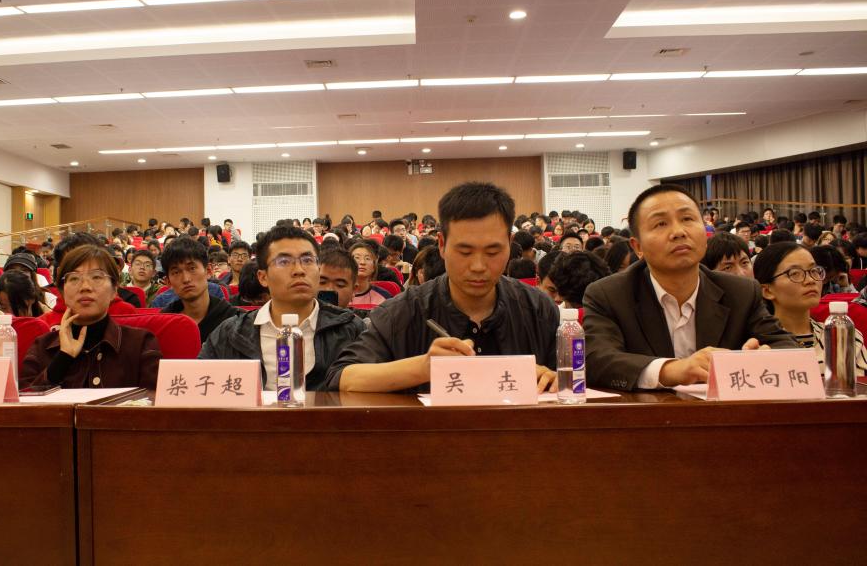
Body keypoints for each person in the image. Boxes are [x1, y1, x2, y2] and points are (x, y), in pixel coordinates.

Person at [325, 182, 559, 393]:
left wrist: (556, 380)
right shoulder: (403, 312)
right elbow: (342, 377)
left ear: (509, 245)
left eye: (493, 251)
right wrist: (424, 367)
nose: (478, 266)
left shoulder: (538, 309)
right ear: (442, 245)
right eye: (465, 252)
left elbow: (569, 381)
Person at [582, 184, 798, 391]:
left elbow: (786, 346)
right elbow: (596, 359)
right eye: (660, 224)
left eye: (687, 219)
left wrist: (764, 356)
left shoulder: (741, 292)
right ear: (638, 247)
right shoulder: (609, 295)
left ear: (705, 233)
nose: (678, 232)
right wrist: (672, 370)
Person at [200, 226, 364, 391]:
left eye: (307, 260)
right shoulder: (230, 334)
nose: (299, 270)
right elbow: (199, 388)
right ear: (263, 277)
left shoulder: (350, 329)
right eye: (284, 262)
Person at [20, 245, 161, 389]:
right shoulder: (41, 347)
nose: (85, 287)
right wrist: (63, 358)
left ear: (114, 290)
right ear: (62, 292)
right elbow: (25, 400)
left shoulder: (141, 344)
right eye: (74, 278)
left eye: (96, 277)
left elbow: (156, 399)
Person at [754, 242, 866, 378]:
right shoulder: (755, 346)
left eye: (814, 271)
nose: (811, 280)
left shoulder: (845, 335)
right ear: (767, 291)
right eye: (795, 273)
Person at [159, 237, 239, 342]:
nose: (186, 279)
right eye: (176, 272)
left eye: (192, 268)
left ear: (208, 271)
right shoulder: (163, 324)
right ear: (168, 282)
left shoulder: (236, 320)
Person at [348, 240, 391, 306]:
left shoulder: (384, 297)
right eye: (357, 258)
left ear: (374, 267)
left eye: (367, 258)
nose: (362, 262)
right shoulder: (338, 294)